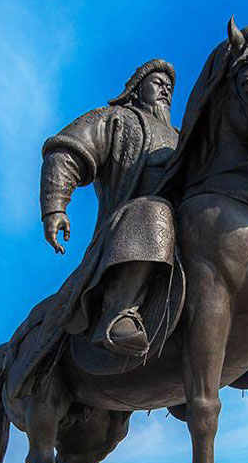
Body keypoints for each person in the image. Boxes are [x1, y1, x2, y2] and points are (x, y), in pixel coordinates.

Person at [38, 59, 179, 356]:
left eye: (170, 86)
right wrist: (55, 207)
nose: (166, 88)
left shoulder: (181, 137)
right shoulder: (117, 120)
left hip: (184, 232)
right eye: (157, 82)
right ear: (137, 90)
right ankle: (119, 313)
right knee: (156, 209)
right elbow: (66, 150)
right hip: (132, 229)